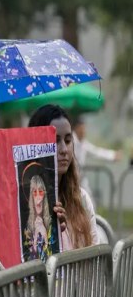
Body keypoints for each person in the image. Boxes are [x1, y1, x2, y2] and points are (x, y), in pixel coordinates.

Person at [29, 105, 99, 249]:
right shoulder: (25, 203)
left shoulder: (82, 199)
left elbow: (96, 256)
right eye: (55, 141)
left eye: (68, 140)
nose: (64, 150)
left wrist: (65, 233)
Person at [73, 116, 121, 204]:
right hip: (70, 178)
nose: (84, 131)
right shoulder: (70, 140)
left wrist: (113, 155)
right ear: (76, 128)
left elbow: (96, 152)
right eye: (82, 128)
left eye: (85, 128)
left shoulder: (83, 144)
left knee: (90, 201)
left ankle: (92, 217)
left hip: (80, 178)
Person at [24, 174, 52, 261]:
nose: (38, 198)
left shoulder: (51, 223)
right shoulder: (27, 226)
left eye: (40, 192)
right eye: (34, 193)